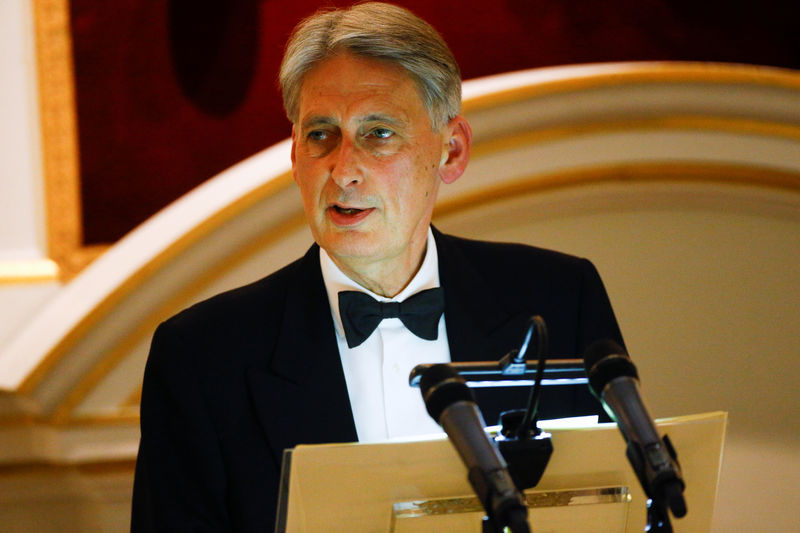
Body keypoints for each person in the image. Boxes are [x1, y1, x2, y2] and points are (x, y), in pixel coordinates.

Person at [131, 3, 624, 531]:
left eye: (378, 133)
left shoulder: (560, 300)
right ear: (294, 156)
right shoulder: (202, 357)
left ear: (451, 151)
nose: (343, 170)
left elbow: (615, 507)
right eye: (321, 134)